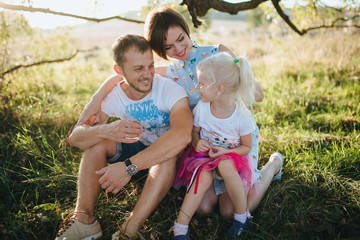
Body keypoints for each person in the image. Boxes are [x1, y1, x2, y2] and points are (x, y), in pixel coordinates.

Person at [77, 5, 283, 231]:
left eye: (181, 38)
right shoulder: (174, 71)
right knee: (204, 208)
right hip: (206, 141)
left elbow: (257, 94)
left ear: (187, 30)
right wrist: (97, 98)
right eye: (168, 47)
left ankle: (272, 167)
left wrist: (237, 81)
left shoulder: (217, 53)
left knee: (229, 210)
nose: (178, 48)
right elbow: (127, 75)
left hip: (235, 135)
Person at [55, 34, 193, 240]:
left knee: (168, 155)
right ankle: (84, 220)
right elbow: (76, 138)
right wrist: (104, 130)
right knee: (97, 143)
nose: (148, 75)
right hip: (139, 151)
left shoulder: (169, 89)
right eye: (138, 69)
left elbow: (182, 136)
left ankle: (127, 231)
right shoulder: (114, 95)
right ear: (119, 71)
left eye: (150, 66)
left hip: (169, 165)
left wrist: (129, 166)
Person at [173, 52, 259, 240]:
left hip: (232, 158)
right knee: (203, 180)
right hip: (204, 158)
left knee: (225, 164)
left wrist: (226, 152)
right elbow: (195, 132)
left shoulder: (241, 116)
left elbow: (246, 147)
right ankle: (180, 228)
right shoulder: (202, 108)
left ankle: (241, 218)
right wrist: (196, 142)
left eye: (202, 83)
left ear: (219, 89)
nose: (197, 87)